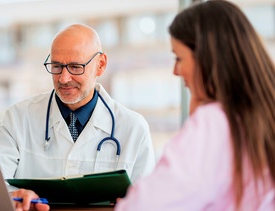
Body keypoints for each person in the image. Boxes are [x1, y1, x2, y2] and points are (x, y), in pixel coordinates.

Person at [115, 0, 275, 210]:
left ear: (206, 58)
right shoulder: (263, 116)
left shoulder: (214, 122)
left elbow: (143, 205)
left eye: (179, 58)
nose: (175, 71)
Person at [0, 24, 156, 211]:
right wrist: (14, 197)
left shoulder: (133, 128)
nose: (64, 78)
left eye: (75, 67)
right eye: (57, 66)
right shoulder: (17, 118)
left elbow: (147, 203)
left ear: (100, 65)